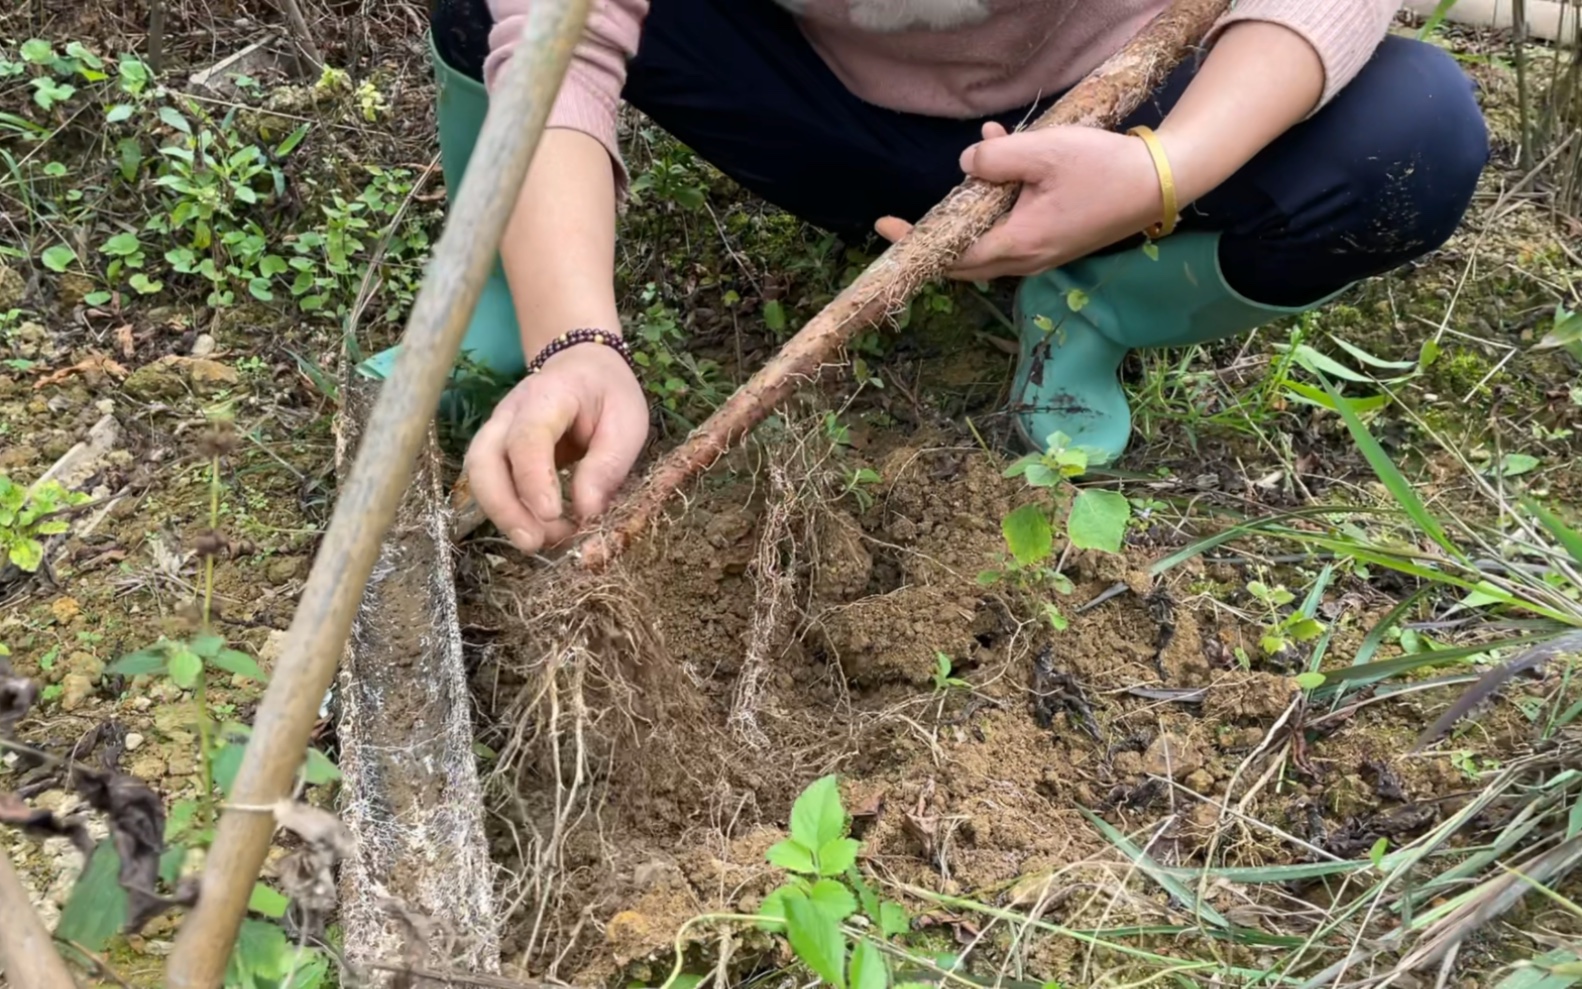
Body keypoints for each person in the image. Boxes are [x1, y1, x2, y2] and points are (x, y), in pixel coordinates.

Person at [362, 0, 1489, 555]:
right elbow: (559, 27)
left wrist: (1158, 170)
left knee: (1413, 135)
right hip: (820, 107)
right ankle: (510, 320)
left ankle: (1093, 305)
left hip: (1121, 100)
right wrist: (579, 336)